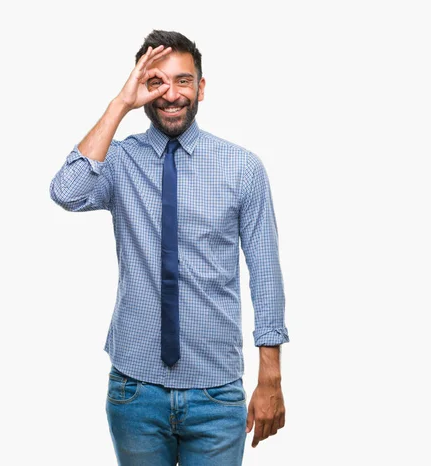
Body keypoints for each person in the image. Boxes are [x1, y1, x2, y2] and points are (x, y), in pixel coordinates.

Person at [49, 30, 289, 465]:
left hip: (216, 393)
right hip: (135, 391)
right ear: (142, 87)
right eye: (157, 81)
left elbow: (265, 272)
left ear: (201, 88)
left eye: (183, 80)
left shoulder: (242, 167)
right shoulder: (119, 162)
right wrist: (120, 104)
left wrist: (269, 376)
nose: (171, 94)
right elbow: (67, 191)